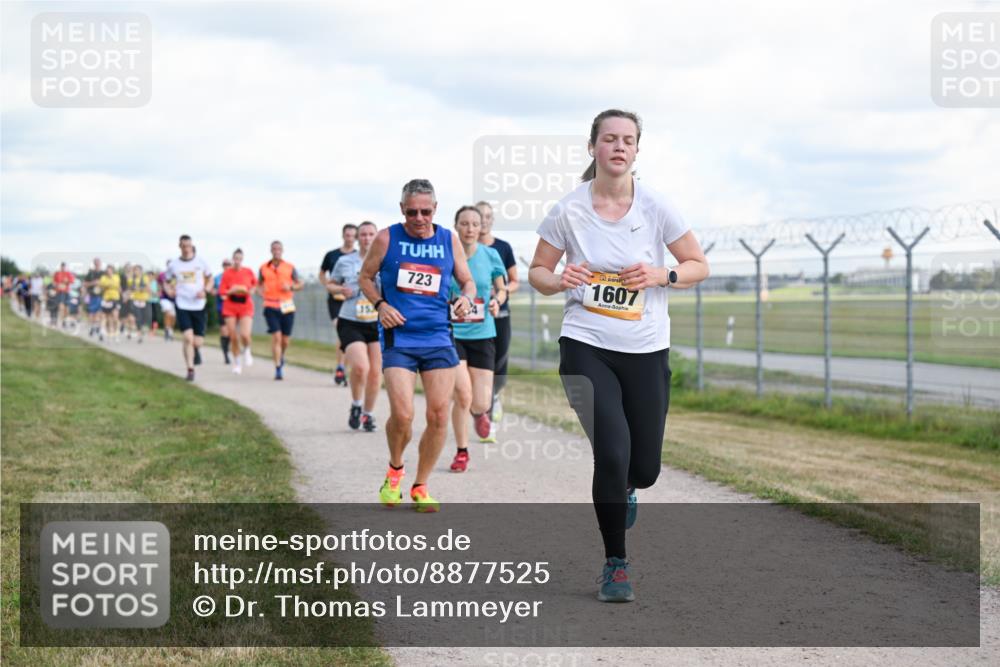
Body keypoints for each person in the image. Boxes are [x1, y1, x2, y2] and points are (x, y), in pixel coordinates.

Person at [528, 109, 709, 603]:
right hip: (585, 345)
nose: (619, 147)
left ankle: (628, 486)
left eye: (628, 140)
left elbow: (698, 264)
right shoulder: (568, 210)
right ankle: (616, 564)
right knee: (611, 452)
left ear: (637, 149)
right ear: (593, 147)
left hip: (646, 348)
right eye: (610, 139)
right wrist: (559, 279)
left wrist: (661, 275)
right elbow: (538, 273)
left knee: (643, 467)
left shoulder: (656, 206)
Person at [358, 179, 477, 513]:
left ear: (435, 210)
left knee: (439, 414)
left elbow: (466, 281)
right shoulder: (387, 237)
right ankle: (395, 469)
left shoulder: (448, 240)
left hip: (439, 336)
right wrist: (381, 304)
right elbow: (365, 277)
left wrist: (466, 299)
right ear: (402, 210)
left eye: (426, 211)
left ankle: (421, 485)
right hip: (400, 338)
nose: (419, 218)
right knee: (403, 414)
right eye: (412, 212)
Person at [447, 206, 507, 473]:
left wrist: (496, 301)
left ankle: (480, 414)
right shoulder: (446, 255)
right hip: (452, 333)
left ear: (481, 227)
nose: (470, 228)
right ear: (456, 226)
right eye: (464, 223)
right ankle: (462, 451)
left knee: (480, 401)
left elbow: (502, 289)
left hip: (483, 333)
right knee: (462, 394)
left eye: (475, 223)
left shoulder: (491, 255)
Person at [330, 221, 381, 431]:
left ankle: (368, 415)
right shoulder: (345, 261)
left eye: (371, 234)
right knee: (361, 367)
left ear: (376, 237)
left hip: (377, 320)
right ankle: (356, 404)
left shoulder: (385, 260)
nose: (367, 238)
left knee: (376, 372)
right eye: (363, 235)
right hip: (351, 320)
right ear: (357, 238)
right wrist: (340, 290)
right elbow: (331, 284)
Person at [475, 200, 519, 441]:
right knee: (482, 366)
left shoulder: (502, 247)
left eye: (488, 216)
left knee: (499, 365)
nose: (484, 220)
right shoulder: (464, 248)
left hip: (499, 314)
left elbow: (514, 280)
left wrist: (500, 293)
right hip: (472, 320)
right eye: (480, 216)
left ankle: (494, 396)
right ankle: (485, 412)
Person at [164, 235, 213, 381]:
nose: (186, 249)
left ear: (192, 246)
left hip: (198, 305)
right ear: (180, 247)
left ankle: (196, 350)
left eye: (188, 246)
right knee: (187, 338)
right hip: (182, 303)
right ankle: (190, 370)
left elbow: (210, 278)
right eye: (183, 246)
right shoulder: (174, 264)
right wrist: (169, 291)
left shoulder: (201, 262)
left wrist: (206, 291)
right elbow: (165, 281)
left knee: (197, 341)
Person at [257, 240, 303, 381]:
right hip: (270, 305)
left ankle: (281, 356)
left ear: (282, 250)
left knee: (285, 340)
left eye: (279, 249)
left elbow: (300, 283)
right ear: (271, 250)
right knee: (276, 337)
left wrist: (291, 287)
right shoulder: (263, 268)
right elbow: (258, 286)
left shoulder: (290, 267)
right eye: (274, 249)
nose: (276, 251)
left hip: (287, 306)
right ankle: (278, 368)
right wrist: (261, 293)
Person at [320, 223, 358, 386]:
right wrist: (331, 288)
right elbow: (322, 274)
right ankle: (340, 366)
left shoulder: (360, 256)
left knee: (349, 336)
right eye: (347, 235)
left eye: (352, 235)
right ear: (343, 236)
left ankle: (344, 368)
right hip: (336, 301)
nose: (349, 238)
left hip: (354, 301)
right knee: (341, 331)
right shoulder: (332, 255)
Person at [219, 248, 257, 375]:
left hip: (245, 305)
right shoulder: (227, 273)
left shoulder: (248, 272)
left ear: (242, 259)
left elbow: (254, 286)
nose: (237, 261)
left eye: (240, 259)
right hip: (230, 305)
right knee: (233, 336)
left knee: (245, 334)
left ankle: (247, 349)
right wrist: (233, 290)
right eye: (235, 259)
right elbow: (223, 293)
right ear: (232, 259)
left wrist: (247, 290)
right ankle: (236, 362)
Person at [124, 264, 152, 343]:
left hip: (144, 301)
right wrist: (126, 296)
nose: (135, 272)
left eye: (137, 270)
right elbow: (129, 289)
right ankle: (139, 336)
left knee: (146, 318)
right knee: (137, 318)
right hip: (135, 301)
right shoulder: (131, 280)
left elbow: (147, 288)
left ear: (140, 271)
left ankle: (140, 331)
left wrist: (139, 289)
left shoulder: (145, 278)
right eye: (134, 270)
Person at [214, 258, 233, 364]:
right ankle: (225, 354)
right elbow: (212, 290)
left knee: (231, 331)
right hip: (221, 308)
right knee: (224, 331)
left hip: (233, 308)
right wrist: (218, 292)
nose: (227, 266)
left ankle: (228, 348)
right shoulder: (217, 278)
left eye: (228, 264)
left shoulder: (235, 277)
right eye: (225, 264)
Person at [98, 265, 122, 342]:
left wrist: (108, 285)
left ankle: (116, 333)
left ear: (112, 271)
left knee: (115, 317)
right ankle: (109, 333)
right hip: (106, 299)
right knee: (108, 317)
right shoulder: (103, 278)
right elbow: (101, 287)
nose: (108, 272)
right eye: (107, 271)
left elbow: (117, 286)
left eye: (110, 270)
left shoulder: (116, 277)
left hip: (115, 298)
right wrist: (106, 286)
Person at [83, 258, 104, 337]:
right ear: (94, 264)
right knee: (92, 313)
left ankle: (98, 327)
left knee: (99, 313)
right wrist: (93, 283)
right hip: (92, 296)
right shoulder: (90, 273)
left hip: (101, 296)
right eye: (96, 263)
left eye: (98, 263)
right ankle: (92, 328)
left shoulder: (103, 273)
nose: (97, 264)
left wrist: (101, 284)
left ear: (100, 264)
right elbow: (85, 284)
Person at [52, 262, 75, 329]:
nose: (63, 268)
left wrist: (67, 281)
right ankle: (61, 321)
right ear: (60, 267)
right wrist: (57, 284)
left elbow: (72, 281)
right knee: (61, 307)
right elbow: (54, 282)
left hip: (66, 292)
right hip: (59, 292)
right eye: (62, 267)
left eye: (64, 267)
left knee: (67, 309)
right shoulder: (57, 273)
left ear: (65, 267)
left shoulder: (68, 273)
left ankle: (64, 321)